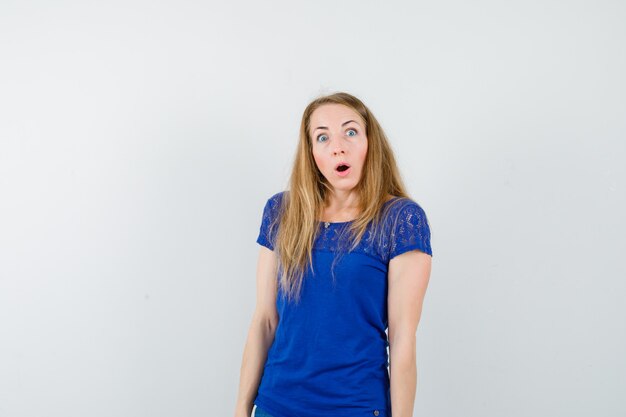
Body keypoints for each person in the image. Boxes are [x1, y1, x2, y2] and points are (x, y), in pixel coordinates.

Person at [234, 92, 433, 417]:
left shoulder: (400, 219)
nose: (337, 146)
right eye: (322, 137)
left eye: (350, 132)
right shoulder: (281, 212)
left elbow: (403, 339)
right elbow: (265, 321)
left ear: (370, 142)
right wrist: (241, 408)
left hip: (355, 407)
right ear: (312, 153)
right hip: (276, 405)